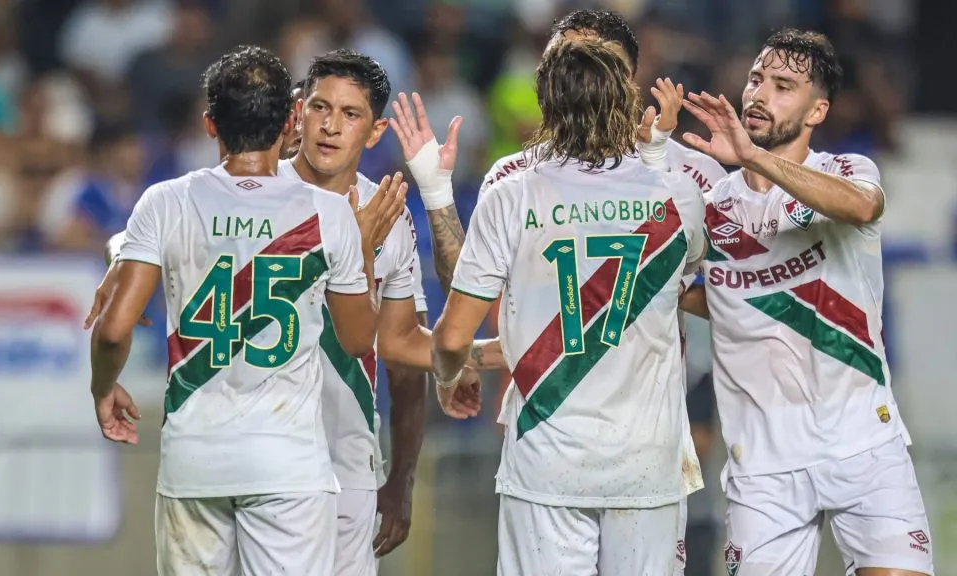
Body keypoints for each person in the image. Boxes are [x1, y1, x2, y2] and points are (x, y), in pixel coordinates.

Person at [87, 48, 502, 576]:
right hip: (285, 455)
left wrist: (403, 476)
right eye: (319, 108)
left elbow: (397, 351)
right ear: (295, 113)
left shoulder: (389, 216)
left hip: (344, 459)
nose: (330, 127)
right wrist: (120, 261)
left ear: (373, 133)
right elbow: (153, 231)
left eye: (350, 115)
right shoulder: (255, 184)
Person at [391, 9, 716, 573]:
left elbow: (458, 327)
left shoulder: (511, 191)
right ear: (625, 91)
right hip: (647, 458)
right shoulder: (679, 191)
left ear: (544, 94)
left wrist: (453, 372)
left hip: (546, 454)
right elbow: (693, 288)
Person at [678, 29, 934, 576]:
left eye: (783, 85)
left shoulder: (847, 172)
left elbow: (862, 210)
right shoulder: (712, 208)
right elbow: (717, 295)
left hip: (865, 447)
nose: (759, 94)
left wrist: (755, 160)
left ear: (818, 109)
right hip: (763, 467)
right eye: (755, 79)